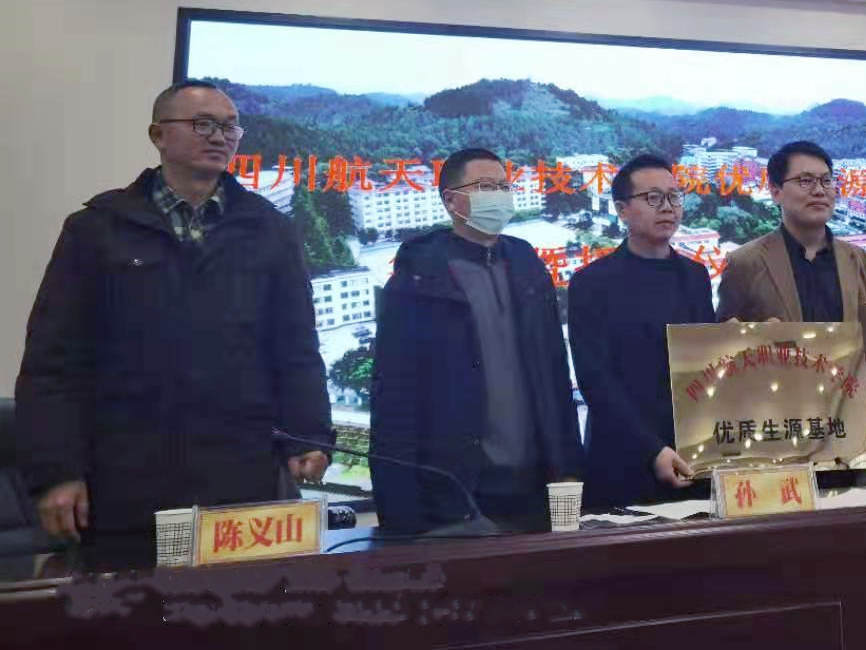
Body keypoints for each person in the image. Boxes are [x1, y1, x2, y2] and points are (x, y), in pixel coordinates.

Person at [15, 80, 332, 564]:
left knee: (242, 602)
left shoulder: (268, 229)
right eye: (203, 124)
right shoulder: (98, 229)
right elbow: (53, 362)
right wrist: (57, 472)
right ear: (158, 134)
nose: (219, 137)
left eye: (230, 127)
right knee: (134, 605)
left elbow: (295, 348)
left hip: (239, 471)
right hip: (126, 476)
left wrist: (309, 434)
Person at [370, 146, 582, 533]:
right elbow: (394, 400)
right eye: (485, 187)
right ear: (451, 200)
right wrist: (400, 516)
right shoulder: (418, 281)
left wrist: (569, 466)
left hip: (539, 487)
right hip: (459, 494)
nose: (498, 196)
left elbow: (554, 373)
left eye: (504, 187)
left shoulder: (527, 265)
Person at [716, 141, 866, 469]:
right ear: (775, 191)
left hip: (852, 437)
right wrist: (751, 342)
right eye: (805, 181)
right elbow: (720, 353)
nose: (819, 190)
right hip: (774, 439)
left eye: (826, 180)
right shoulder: (745, 263)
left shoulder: (863, 263)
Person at [568, 154, 715, 509]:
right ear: (622, 209)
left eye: (674, 196)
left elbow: (705, 365)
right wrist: (652, 450)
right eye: (653, 198)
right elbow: (595, 381)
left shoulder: (695, 276)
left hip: (694, 458)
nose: (667, 207)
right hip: (624, 459)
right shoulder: (591, 283)